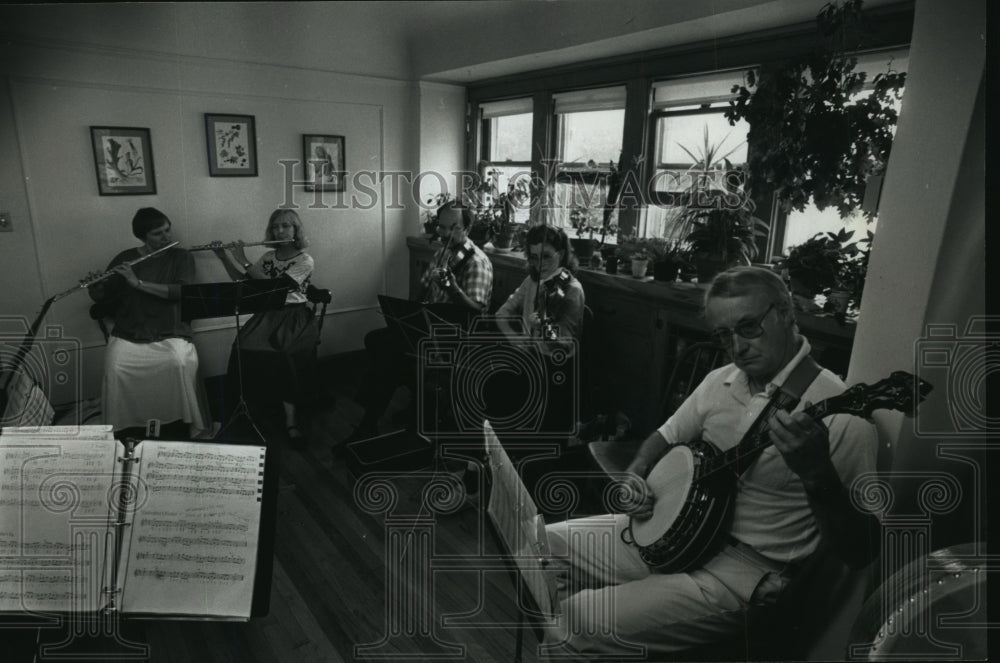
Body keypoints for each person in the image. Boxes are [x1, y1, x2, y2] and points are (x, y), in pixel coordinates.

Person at [543, 266, 879, 656]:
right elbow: (665, 435)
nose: (737, 347)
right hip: (674, 534)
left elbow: (861, 550)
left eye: (749, 327)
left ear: (787, 313)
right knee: (541, 545)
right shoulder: (720, 380)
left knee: (576, 619)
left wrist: (818, 475)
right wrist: (635, 475)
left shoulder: (842, 416)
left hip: (741, 573)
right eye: (724, 335)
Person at [346, 200, 493, 443]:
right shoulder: (443, 253)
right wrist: (406, 315)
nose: (444, 234)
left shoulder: (477, 262)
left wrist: (453, 289)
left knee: (390, 352)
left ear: (467, 228)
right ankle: (394, 415)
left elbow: (475, 312)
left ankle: (370, 424)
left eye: (452, 228)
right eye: (442, 228)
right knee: (377, 340)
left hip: (458, 340)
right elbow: (422, 290)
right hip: (430, 331)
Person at [89, 207, 212, 438]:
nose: (167, 237)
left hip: (171, 330)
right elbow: (102, 296)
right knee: (115, 367)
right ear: (142, 236)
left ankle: (181, 423)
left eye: (167, 230)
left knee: (178, 362)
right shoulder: (125, 258)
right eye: (158, 234)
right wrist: (96, 287)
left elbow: (180, 292)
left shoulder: (181, 257)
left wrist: (138, 284)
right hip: (131, 330)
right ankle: (126, 426)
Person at [211, 208, 318, 444]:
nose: (279, 230)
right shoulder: (269, 257)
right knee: (241, 347)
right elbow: (244, 282)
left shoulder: (304, 259)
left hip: (294, 317)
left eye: (285, 226)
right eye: (275, 227)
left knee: (282, 354)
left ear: (296, 229)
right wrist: (223, 257)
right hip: (267, 315)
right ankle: (249, 406)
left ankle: (291, 420)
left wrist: (245, 260)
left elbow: (277, 288)